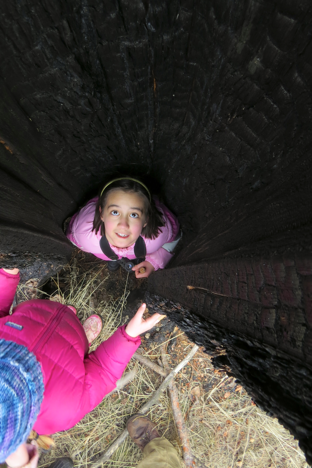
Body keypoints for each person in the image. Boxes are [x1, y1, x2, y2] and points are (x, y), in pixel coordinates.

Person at [0, 267, 164, 467]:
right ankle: (80, 333)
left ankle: (66, 315)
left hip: (36, 311)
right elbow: (102, 371)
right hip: (71, 345)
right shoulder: (63, 412)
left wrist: (6, 275)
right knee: (77, 347)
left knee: (63, 320)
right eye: (28, 368)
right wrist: (128, 336)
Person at [65, 177, 181, 278]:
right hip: (98, 231)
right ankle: (113, 258)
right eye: (115, 212)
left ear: (146, 220)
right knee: (109, 254)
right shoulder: (84, 234)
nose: (123, 225)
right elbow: (73, 238)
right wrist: (90, 248)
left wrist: (154, 261)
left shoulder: (159, 233)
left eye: (134, 215)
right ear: (101, 214)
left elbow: (175, 237)